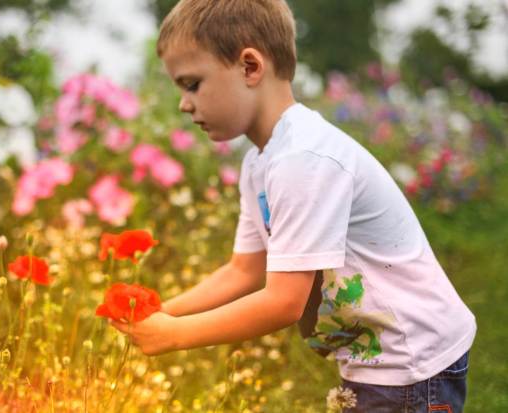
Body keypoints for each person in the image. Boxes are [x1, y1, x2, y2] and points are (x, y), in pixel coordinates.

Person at [110, 0, 477, 411]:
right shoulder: (259, 163)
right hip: (377, 355)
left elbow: (284, 303)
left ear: (250, 67)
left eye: (192, 84)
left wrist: (174, 336)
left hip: (412, 361)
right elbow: (243, 270)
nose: (183, 103)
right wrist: (161, 314)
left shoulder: (304, 158)